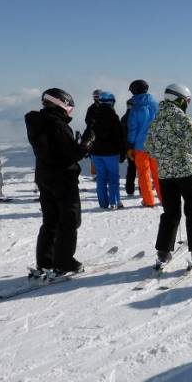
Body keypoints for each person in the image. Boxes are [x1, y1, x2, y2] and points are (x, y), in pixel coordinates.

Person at [25, 88, 95, 277]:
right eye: (69, 108)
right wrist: (88, 140)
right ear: (61, 103)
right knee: (70, 220)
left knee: (50, 220)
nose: (69, 112)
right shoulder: (57, 124)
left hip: (44, 176)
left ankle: (45, 261)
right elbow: (75, 153)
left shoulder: (36, 121)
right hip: (63, 178)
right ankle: (63, 262)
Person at [145, 84, 192, 267]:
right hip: (186, 172)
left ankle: (163, 252)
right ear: (180, 99)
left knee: (171, 213)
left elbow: (149, 148)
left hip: (165, 174)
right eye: (187, 101)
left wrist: (166, 152)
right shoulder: (181, 117)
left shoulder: (156, 119)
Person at [87, 91, 125, 209]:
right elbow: (119, 137)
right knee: (113, 177)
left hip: (96, 153)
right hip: (111, 153)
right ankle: (114, 202)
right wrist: (122, 152)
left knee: (101, 177)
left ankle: (103, 203)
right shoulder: (114, 117)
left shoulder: (93, 115)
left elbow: (89, 133)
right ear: (111, 102)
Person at [126, 79, 161, 207]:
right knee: (158, 174)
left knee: (143, 174)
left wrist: (130, 145)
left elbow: (133, 129)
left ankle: (148, 201)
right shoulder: (157, 105)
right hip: (156, 146)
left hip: (140, 147)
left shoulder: (135, 109)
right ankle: (163, 199)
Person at [120, 98, 136, 196]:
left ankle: (129, 189)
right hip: (139, 146)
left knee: (131, 168)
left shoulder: (124, 118)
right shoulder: (137, 116)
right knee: (143, 170)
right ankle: (144, 189)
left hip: (128, 147)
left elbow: (122, 135)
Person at [85, 89, 102, 178]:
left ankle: (98, 174)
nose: (97, 98)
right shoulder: (93, 108)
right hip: (97, 134)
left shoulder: (92, 108)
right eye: (96, 97)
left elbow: (87, 120)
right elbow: (87, 120)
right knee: (96, 153)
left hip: (97, 134)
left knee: (96, 153)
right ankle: (97, 174)